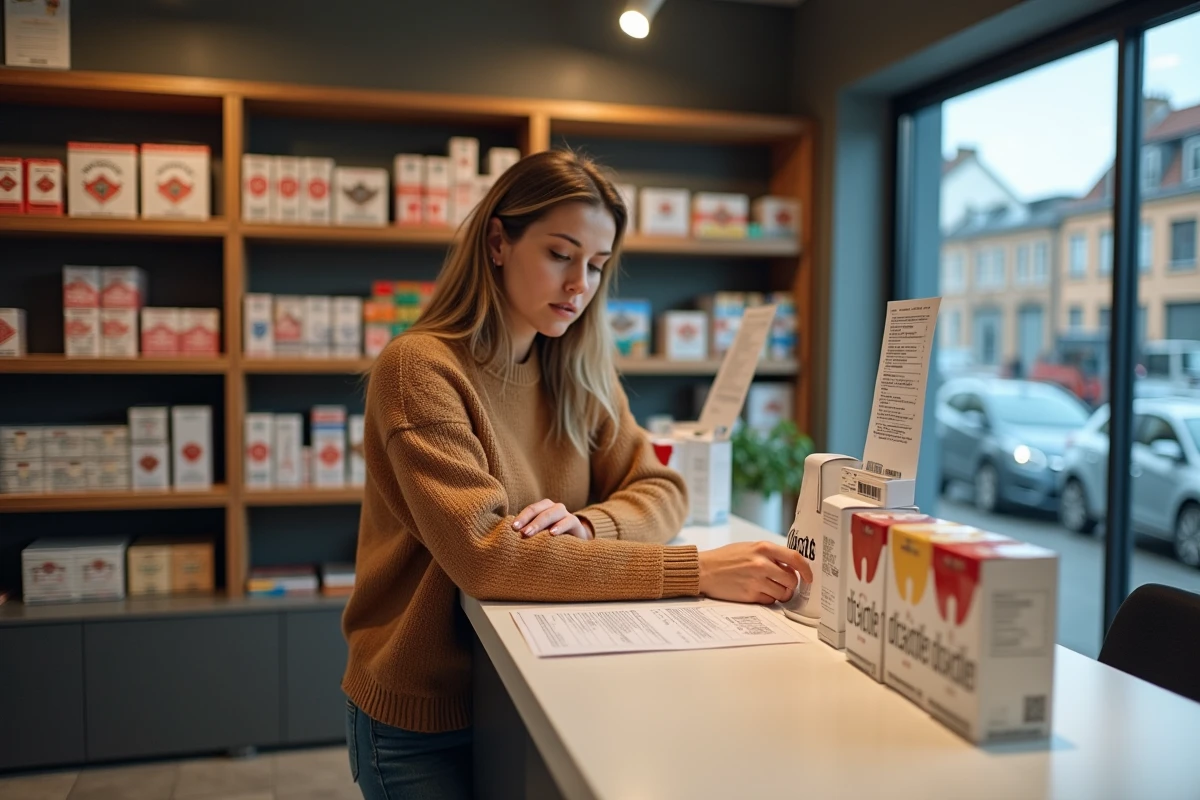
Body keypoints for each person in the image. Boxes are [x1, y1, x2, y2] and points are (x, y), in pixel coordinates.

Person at [342, 149, 810, 800]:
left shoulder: (578, 370)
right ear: (499, 241)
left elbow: (665, 488)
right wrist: (696, 572)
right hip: (424, 712)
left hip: (527, 688)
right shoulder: (419, 370)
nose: (579, 286)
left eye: (595, 265)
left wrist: (591, 527)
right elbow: (487, 558)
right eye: (560, 255)